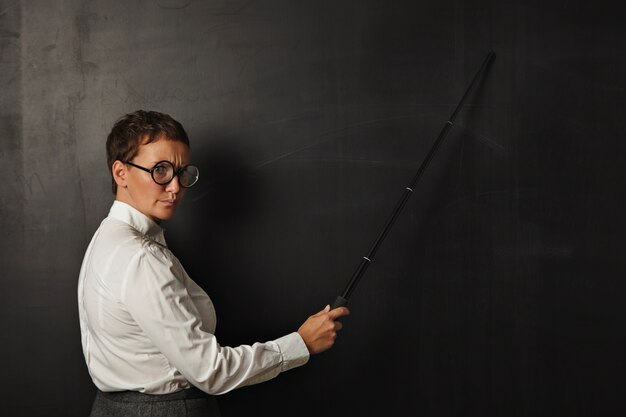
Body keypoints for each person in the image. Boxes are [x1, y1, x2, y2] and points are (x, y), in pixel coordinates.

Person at [77, 110, 350, 417]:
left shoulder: (107, 238)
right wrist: (300, 344)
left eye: (182, 173)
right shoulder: (140, 257)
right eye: (160, 171)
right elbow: (210, 371)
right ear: (121, 173)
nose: (175, 187)